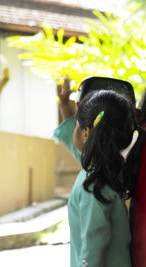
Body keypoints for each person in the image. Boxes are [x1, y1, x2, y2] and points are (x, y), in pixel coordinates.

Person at [54, 79, 146, 267]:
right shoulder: (109, 172)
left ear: (86, 133)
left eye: (76, 124)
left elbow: (93, 252)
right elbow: (82, 148)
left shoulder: (93, 185)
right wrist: (65, 105)